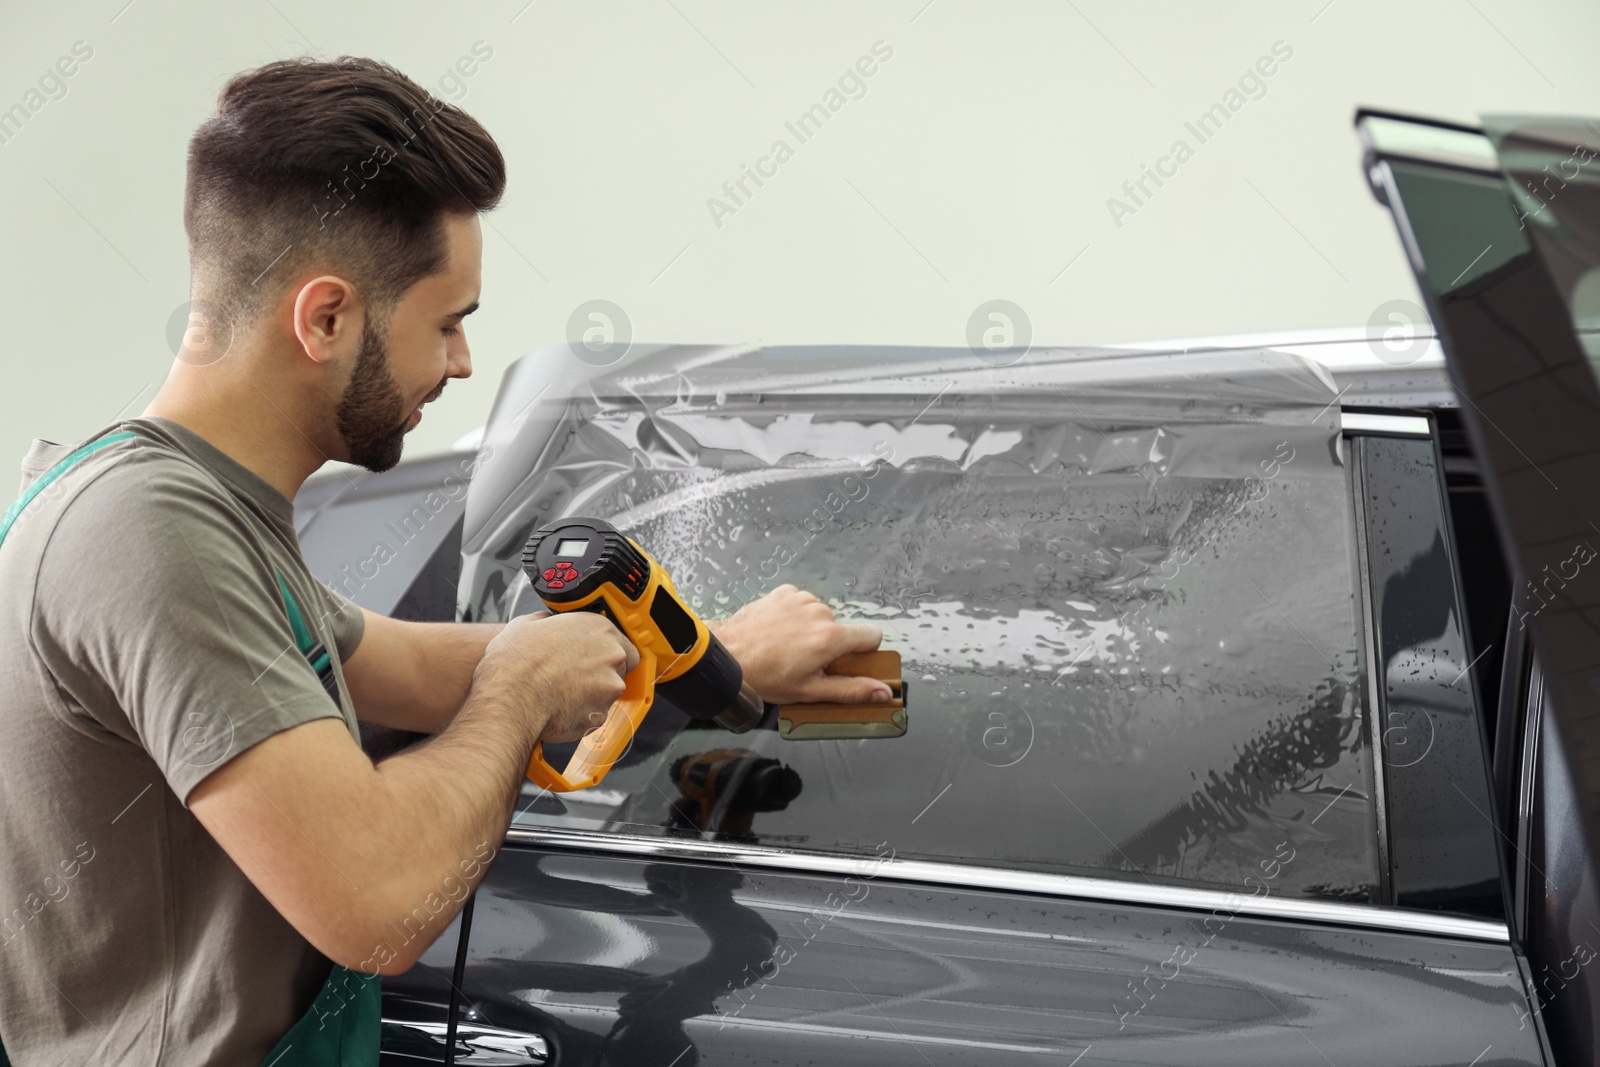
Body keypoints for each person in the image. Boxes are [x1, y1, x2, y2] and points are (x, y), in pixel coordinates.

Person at [0, 56, 891, 1066]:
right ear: (326, 317)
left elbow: (407, 665)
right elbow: (376, 904)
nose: (463, 362)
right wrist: (518, 697)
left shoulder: (171, 502)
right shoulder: (151, 534)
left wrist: (704, 654)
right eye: (448, 321)